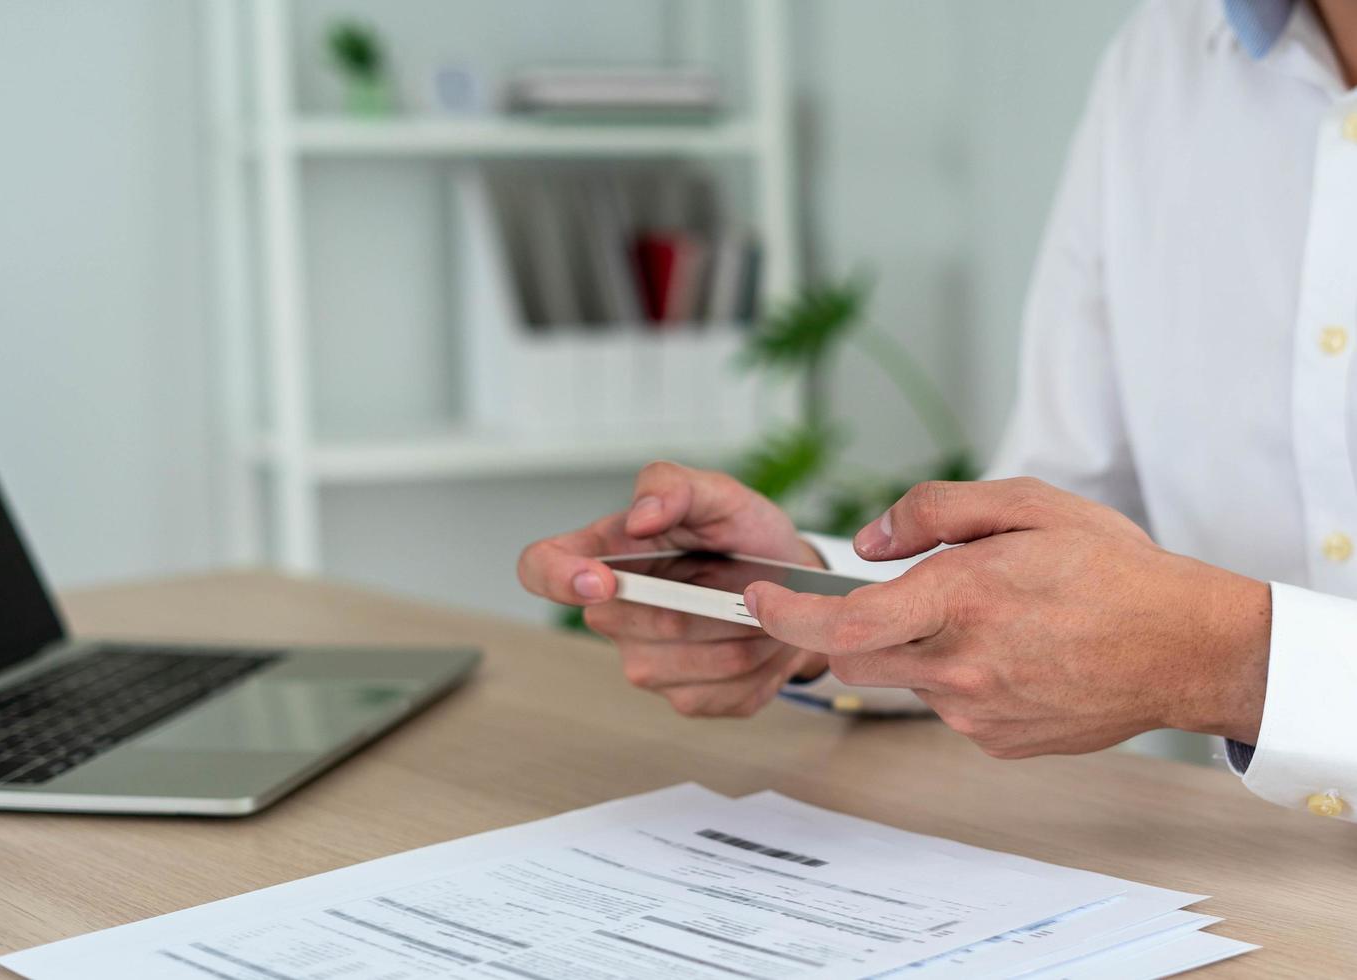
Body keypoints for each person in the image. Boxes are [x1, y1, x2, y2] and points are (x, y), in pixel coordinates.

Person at [518, 0, 1357, 824]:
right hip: (1251, 889)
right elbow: (1062, 524)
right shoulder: (1165, 56)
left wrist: (1236, 664)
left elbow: (1191, 640)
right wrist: (822, 608)